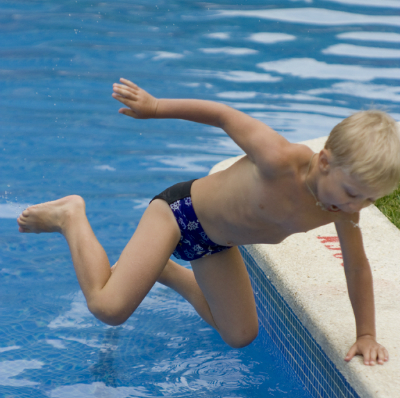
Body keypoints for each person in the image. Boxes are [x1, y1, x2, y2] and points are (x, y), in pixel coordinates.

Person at [17, 78, 400, 366]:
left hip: (214, 243)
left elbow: (356, 266)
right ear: (325, 161)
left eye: (369, 199)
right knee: (109, 309)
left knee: (240, 334)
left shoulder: (343, 209)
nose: (357, 206)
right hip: (178, 214)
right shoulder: (279, 159)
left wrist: (366, 333)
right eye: (352, 192)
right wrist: (155, 107)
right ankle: (71, 217)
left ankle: (164, 269)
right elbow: (223, 115)